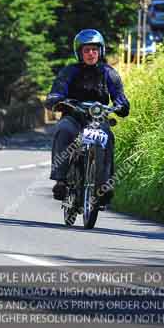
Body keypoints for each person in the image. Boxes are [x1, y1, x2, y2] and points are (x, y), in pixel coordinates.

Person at [44, 29, 130, 202]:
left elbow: (119, 97)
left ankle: (105, 185)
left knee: (108, 137)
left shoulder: (109, 73)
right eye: (86, 50)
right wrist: (57, 100)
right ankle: (61, 180)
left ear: (101, 51)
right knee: (63, 130)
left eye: (94, 50)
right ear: (79, 52)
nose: (91, 53)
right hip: (73, 117)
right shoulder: (69, 71)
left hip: (98, 119)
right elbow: (56, 92)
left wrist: (121, 105)